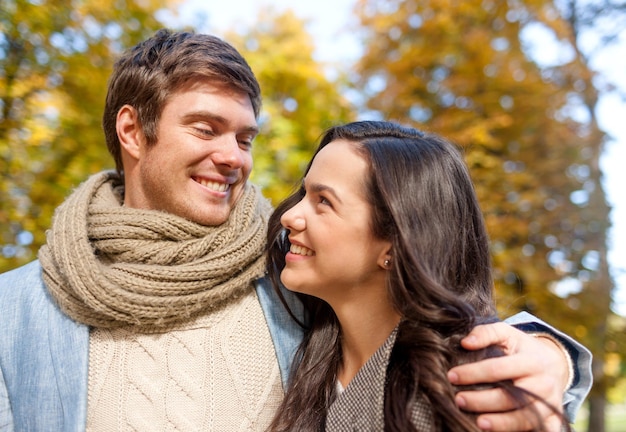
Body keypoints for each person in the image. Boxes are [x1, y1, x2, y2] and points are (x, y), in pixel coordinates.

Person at [0, 29, 590, 431]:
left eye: (245, 137)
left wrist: (549, 356)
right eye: (207, 129)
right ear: (133, 131)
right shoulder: (17, 310)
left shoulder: (284, 274)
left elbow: (418, 320)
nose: (233, 157)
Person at [265, 121, 578, 431]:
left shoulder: (471, 387)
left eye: (324, 202)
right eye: (304, 193)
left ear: (394, 242)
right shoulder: (304, 348)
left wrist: (557, 357)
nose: (290, 216)